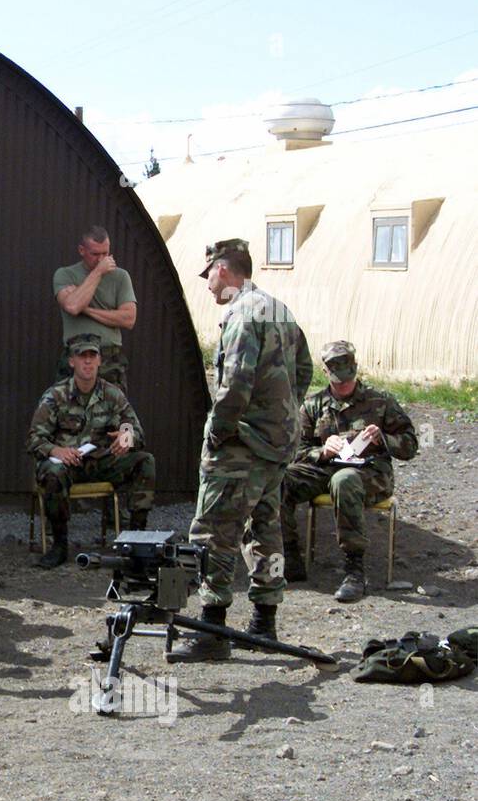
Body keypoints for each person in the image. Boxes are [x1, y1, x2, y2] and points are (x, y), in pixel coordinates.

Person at [168, 240, 313, 662]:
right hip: (277, 444)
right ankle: (264, 623)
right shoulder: (278, 309)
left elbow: (235, 385)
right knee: (266, 530)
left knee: (215, 531)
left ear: (224, 269)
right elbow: (303, 370)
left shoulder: (242, 314)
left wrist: (219, 430)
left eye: (208, 275)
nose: (208, 286)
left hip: (242, 445)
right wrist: (281, 414)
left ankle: (212, 629)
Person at [281, 340, 418, 603]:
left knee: (344, 481)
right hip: (326, 468)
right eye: (338, 381)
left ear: (355, 369)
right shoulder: (313, 405)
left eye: (347, 380)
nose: (343, 386)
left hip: (369, 474)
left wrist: (383, 440)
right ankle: (290, 556)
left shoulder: (381, 401)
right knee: (279, 480)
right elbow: (293, 450)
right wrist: (321, 450)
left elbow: (410, 445)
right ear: (326, 373)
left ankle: (354, 570)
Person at [27, 333, 156, 568]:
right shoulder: (55, 396)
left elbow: (135, 429)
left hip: (100, 462)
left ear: (99, 361)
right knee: (52, 474)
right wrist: (57, 450)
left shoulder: (112, 394)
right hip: (67, 465)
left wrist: (128, 436)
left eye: (92, 356)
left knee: (144, 461)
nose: (87, 361)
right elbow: (34, 439)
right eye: (81, 356)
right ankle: (59, 545)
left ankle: (138, 541)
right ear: (72, 361)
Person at [53, 225, 137, 390]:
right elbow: (72, 305)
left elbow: (129, 319)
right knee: (70, 412)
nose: (101, 259)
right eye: (95, 254)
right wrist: (98, 272)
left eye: (105, 253)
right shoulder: (65, 274)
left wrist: (87, 310)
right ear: (82, 250)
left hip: (109, 358)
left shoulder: (120, 277)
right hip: (76, 355)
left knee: (112, 412)